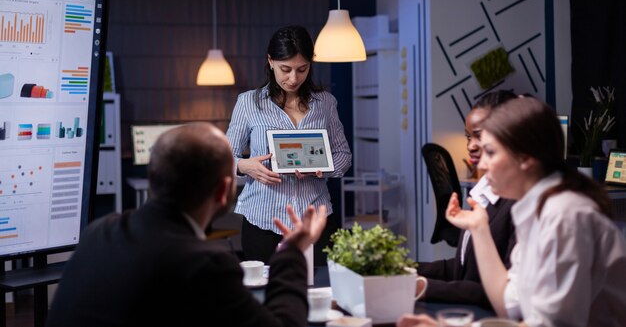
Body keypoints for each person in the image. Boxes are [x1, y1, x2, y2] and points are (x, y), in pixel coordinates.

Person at [46, 122, 327, 327]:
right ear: (223, 191)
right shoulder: (206, 264)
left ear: (154, 179)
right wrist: (291, 251)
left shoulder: (100, 232)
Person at [399, 97, 626, 327]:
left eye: (490, 152)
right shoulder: (532, 210)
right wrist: (479, 228)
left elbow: (551, 324)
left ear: (525, 157)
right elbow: (509, 304)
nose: (482, 165)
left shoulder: (565, 216)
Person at [226, 25, 352, 265]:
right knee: (266, 292)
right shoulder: (248, 103)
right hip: (262, 219)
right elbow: (222, 158)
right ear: (270, 61)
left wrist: (321, 166)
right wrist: (244, 166)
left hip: (315, 218)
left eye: (301, 69)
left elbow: (344, 155)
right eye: (286, 69)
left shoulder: (325, 103)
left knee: (318, 288)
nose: (293, 78)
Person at [416, 90, 517, 310]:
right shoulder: (480, 195)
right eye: (468, 137)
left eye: (480, 137)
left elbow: (505, 296)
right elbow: (464, 268)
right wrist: (406, 270)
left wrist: (422, 286)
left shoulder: (520, 208)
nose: (470, 146)